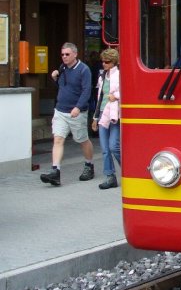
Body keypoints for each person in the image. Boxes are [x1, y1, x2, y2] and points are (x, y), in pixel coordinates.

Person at [40, 42, 95, 186]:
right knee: (58, 139)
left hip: (76, 112)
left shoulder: (84, 70)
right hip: (60, 110)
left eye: (67, 54)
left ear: (75, 54)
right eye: (62, 54)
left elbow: (86, 91)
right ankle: (55, 171)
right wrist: (55, 79)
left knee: (82, 140)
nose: (64, 57)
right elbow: (63, 88)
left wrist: (78, 107)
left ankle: (89, 165)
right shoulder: (62, 68)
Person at [92, 48, 121, 189]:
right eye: (102, 61)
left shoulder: (120, 75)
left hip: (115, 114)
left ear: (113, 62)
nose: (104, 64)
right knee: (105, 149)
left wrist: (116, 96)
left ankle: (129, 172)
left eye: (107, 61)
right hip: (103, 113)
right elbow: (99, 97)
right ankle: (110, 176)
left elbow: (126, 91)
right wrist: (95, 117)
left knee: (113, 146)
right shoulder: (102, 76)